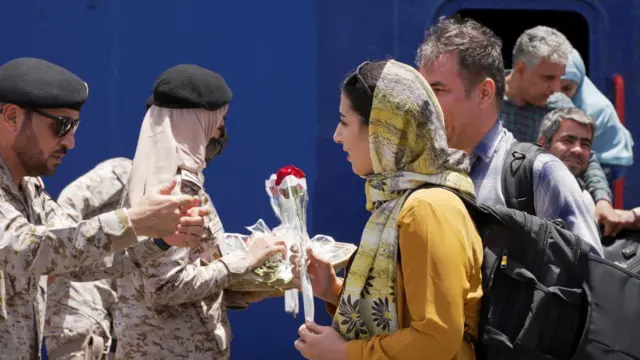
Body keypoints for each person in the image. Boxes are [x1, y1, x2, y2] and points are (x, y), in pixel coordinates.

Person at [0, 57, 207, 359]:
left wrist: (160, 239)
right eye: (61, 126)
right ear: (12, 116)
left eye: (75, 126)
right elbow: (25, 250)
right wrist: (132, 221)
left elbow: (79, 261)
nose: (70, 141)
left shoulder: (29, 190)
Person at [293, 60, 483, 360]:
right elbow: (402, 311)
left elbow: (437, 339)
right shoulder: (403, 201)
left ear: (383, 131)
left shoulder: (429, 209)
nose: (336, 136)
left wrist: (345, 353)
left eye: (344, 122)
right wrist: (334, 290)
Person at [114, 64, 287, 359]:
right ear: (194, 121)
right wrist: (245, 259)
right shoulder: (175, 185)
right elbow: (165, 287)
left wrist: (254, 279)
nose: (220, 130)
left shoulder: (156, 174)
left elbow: (188, 264)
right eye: (218, 119)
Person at [415, 16, 603, 254]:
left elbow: (592, 281)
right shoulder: (416, 173)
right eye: (423, 89)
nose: (424, 103)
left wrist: (603, 199)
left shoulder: (543, 174)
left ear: (484, 92)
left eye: (438, 90)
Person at [500, 26, 621, 234]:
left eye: (560, 78)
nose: (556, 88)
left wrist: (602, 200)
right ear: (520, 69)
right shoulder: (485, 99)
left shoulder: (559, 104)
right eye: (548, 78)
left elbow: (585, 157)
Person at [45, 157, 132, 360]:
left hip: (110, 311)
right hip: (78, 301)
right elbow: (71, 201)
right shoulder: (128, 172)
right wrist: (57, 258)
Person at [559, 48, 634, 182]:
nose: (559, 94)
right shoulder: (572, 90)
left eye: (566, 88)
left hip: (608, 159)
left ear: (579, 81)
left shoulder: (593, 109)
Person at [537, 108, 598, 218]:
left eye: (585, 144)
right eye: (568, 140)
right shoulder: (523, 191)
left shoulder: (585, 199)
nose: (577, 150)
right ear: (543, 144)